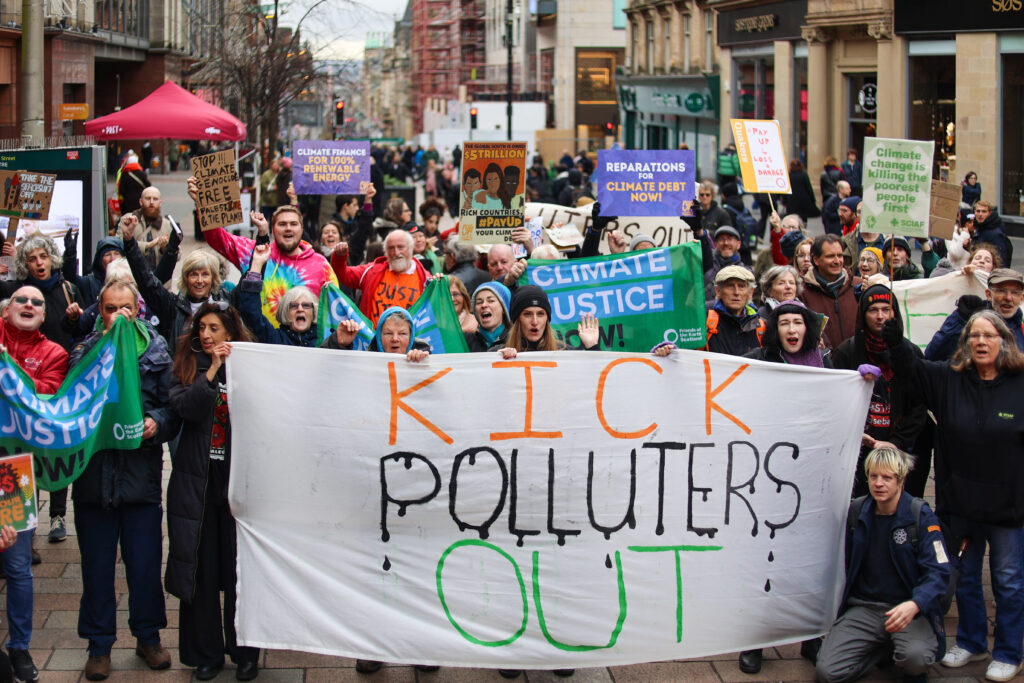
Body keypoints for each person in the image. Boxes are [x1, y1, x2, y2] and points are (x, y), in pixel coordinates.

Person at [882, 310, 1024, 682]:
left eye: (988, 335)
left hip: (1010, 503)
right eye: (973, 336)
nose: (980, 342)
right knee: (965, 577)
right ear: (964, 344)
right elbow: (912, 372)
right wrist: (896, 341)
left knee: (1008, 580)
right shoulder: (948, 379)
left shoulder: (1020, 382)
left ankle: (1009, 651)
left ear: (1003, 341)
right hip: (961, 501)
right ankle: (973, 641)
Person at [69, 280, 176, 681]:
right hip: (94, 480)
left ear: (138, 308)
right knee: (96, 566)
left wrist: (157, 423)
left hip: (140, 478)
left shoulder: (156, 350)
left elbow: (171, 406)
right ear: (101, 311)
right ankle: (99, 645)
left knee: (145, 564)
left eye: (126, 308)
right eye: (111, 308)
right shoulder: (83, 351)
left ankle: (148, 637)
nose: (119, 316)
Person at [166, 303, 260, 682]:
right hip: (198, 483)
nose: (205, 335)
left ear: (230, 333)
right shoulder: (187, 366)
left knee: (240, 573)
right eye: (201, 328)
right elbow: (186, 409)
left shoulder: (253, 367)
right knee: (200, 574)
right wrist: (211, 372)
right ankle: (205, 654)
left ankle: (246, 652)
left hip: (239, 484)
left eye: (214, 328)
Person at [814, 447, 950, 683]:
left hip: (908, 609)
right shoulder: (857, 512)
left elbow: (939, 572)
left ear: (901, 480)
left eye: (887, 477)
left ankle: (905, 652)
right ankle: (882, 650)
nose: (879, 483)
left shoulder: (920, 516)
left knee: (915, 659)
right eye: (873, 476)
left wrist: (915, 604)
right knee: (827, 672)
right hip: (865, 607)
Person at [0, 285, 69, 682]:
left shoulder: (53, 353)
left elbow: (46, 396)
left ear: (45, 316)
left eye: (37, 303)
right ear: (8, 308)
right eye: (21, 300)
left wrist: (10, 372)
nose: (29, 305)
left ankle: (20, 649)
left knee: (17, 565)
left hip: (13, 473)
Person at [189, 174, 338, 324]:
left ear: (302, 229)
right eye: (282, 224)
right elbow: (218, 238)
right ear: (272, 229)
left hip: (303, 346)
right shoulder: (255, 254)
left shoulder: (321, 265)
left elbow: (335, 311)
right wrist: (202, 203)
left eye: (293, 224)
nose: (288, 228)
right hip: (258, 342)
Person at [832, 285, 927, 496]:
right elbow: (834, 402)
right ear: (863, 314)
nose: (880, 316)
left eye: (886, 309)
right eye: (873, 310)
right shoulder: (846, 352)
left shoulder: (911, 352)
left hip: (901, 452)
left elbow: (919, 406)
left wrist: (896, 443)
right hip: (857, 453)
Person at [118, 212, 230, 351]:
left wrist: (261, 237)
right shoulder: (173, 307)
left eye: (205, 274)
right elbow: (147, 281)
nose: (199, 281)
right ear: (185, 278)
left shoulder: (225, 303)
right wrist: (130, 243)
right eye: (194, 275)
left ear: (214, 278)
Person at [925, 267, 1024, 361]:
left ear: (1022, 298)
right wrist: (959, 320)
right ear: (989, 294)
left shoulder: (1022, 330)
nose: (1008, 298)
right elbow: (933, 356)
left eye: (1015, 292)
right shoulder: (967, 320)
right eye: (1002, 291)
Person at [332, 229, 428, 324]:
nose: (396, 253)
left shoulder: (425, 279)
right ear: (385, 251)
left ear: (410, 248)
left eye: (401, 247)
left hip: (410, 338)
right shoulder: (372, 272)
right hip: (375, 338)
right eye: (391, 248)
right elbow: (344, 275)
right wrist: (339, 257)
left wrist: (440, 282)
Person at [240, 244, 321, 346]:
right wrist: (257, 264)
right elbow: (250, 312)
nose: (300, 309)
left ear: (313, 312)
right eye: (294, 306)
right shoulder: (275, 339)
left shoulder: (323, 341)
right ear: (285, 312)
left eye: (306, 305)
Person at [500, 284, 599, 357]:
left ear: (547, 319)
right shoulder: (499, 352)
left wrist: (592, 347)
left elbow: (593, 380)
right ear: (517, 320)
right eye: (527, 314)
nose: (535, 322)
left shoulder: (565, 352)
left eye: (540, 314)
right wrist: (498, 360)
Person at [800, 234, 861, 350]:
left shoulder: (858, 286)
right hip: (824, 363)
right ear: (816, 260)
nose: (837, 261)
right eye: (830, 256)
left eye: (840, 255)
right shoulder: (802, 292)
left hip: (856, 362)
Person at [744, 299, 828, 366]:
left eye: (798, 323)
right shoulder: (758, 358)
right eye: (784, 323)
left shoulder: (823, 359)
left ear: (807, 328)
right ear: (775, 329)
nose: (791, 330)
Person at [705, 265, 763, 356]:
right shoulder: (705, 320)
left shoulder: (760, 326)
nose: (736, 292)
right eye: (730, 286)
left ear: (750, 292)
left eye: (741, 286)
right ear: (718, 291)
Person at [115, 186, 171, 270]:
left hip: (158, 280)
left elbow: (177, 255)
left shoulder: (167, 224)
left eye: (155, 199)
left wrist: (164, 249)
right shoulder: (128, 220)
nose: (151, 202)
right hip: (132, 278)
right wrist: (147, 245)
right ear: (141, 202)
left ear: (160, 203)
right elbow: (118, 247)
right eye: (148, 198)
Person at [62, 236, 125, 306]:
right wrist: (70, 256)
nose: (112, 259)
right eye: (107, 255)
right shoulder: (89, 283)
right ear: (100, 260)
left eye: (116, 254)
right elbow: (70, 278)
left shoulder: (131, 281)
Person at [464, 281, 511, 351]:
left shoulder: (516, 340)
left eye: (491, 301)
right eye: (479, 302)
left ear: (503, 309)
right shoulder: (465, 341)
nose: (484, 305)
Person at [971, 200, 1011, 268]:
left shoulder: (995, 233)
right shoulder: (980, 227)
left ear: (990, 213)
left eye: (984, 211)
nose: (980, 214)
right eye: (978, 211)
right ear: (974, 212)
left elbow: (1002, 259)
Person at [259, 158, 280, 224]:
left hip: (276, 201)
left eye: (277, 165)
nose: (275, 166)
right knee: (265, 218)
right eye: (274, 165)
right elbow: (263, 185)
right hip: (266, 200)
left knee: (274, 219)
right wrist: (273, 188)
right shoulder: (266, 174)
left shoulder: (280, 174)